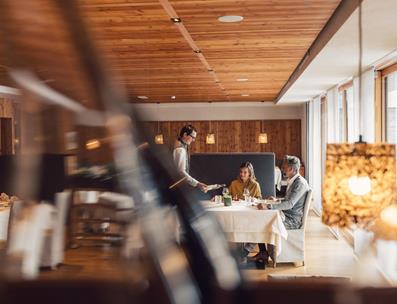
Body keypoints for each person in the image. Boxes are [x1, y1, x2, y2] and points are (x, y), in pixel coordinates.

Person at [255, 155, 310, 268]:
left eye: (284, 167)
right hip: (287, 214)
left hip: (292, 220)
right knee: (261, 219)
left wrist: (269, 206)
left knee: (262, 222)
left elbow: (290, 204)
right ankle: (263, 252)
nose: (282, 169)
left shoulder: (300, 184)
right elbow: (288, 200)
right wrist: (277, 200)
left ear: (291, 169)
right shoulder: (294, 181)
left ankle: (261, 253)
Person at [173, 124, 207, 192]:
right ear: (185, 135)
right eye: (192, 137)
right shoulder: (180, 149)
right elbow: (181, 172)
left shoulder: (178, 145)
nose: (193, 140)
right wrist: (197, 184)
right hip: (177, 188)